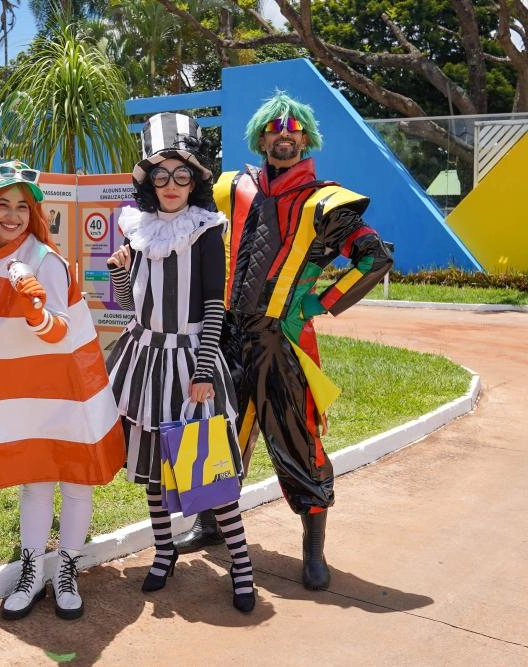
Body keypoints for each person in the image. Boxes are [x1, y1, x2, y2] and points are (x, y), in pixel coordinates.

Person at [197, 92, 393, 590]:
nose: (284, 135)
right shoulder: (231, 188)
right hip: (226, 336)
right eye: (274, 129)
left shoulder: (325, 201)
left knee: (297, 440)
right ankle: (209, 524)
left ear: (306, 138)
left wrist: (319, 302)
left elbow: (374, 257)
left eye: (294, 129)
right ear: (260, 138)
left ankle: (313, 549)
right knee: (217, 431)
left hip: (280, 340)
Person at [0, 161, 125, 621]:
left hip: (67, 384)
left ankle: (66, 570)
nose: (12, 216)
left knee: (75, 479)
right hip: (25, 388)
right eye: (3, 205)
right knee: (36, 479)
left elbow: (59, 329)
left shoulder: (45, 261)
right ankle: (32, 572)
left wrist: (36, 314)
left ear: (34, 213)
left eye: (22, 207)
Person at [105, 113, 256, 613]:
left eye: (182, 174)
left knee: (207, 469)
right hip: (144, 359)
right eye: (161, 175)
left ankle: (241, 564)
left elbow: (214, 305)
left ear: (196, 180)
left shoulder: (206, 229)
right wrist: (120, 271)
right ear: (148, 182)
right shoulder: (135, 228)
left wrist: (204, 371)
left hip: (192, 361)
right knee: (153, 467)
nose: (171, 185)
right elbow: (128, 303)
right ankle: (164, 550)